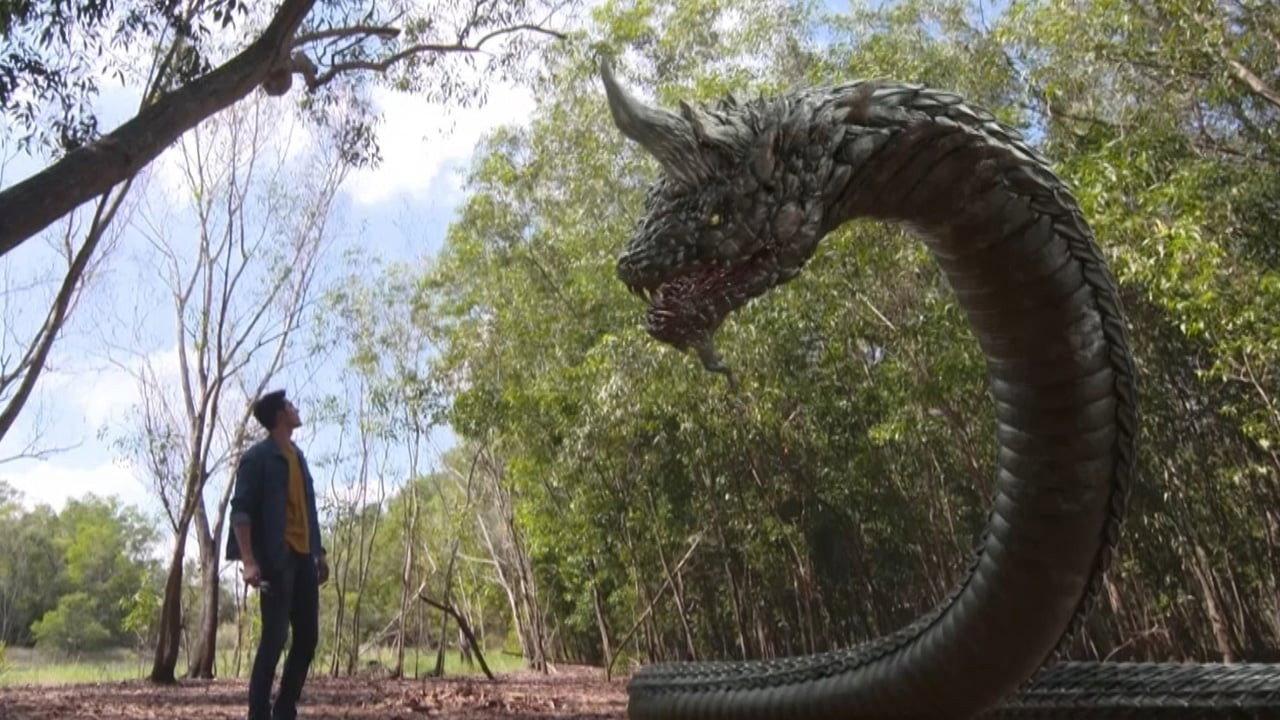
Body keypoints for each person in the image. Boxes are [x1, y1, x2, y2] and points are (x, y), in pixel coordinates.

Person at [226, 389, 329, 720]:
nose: (296, 408)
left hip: (304, 558)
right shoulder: (257, 457)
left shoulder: (298, 457)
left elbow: (308, 510)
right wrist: (249, 561)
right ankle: (258, 714)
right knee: (274, 638)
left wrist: (319, 552)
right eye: (290, 405)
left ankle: (285, 710)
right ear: (280, 415)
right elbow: (240, 511)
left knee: (308, 638)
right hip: (275, 559)